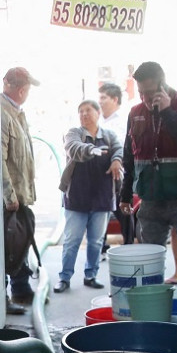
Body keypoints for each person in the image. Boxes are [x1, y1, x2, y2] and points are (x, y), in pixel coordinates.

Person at [119, 61, 177, 276]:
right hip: (150, 200)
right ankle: (152, 307)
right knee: (148, 267)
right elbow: (129, 154)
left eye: (149, 93)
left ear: (163, 85)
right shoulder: (135, 113)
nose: (145, 99)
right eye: (141, 93)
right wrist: (125, 194)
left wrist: (168, 112)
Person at [55, 99, 122, 293]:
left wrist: (117, 160)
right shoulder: (74, 133)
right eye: (81, 111)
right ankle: (64, 278)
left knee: (96, 242)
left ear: (98, 113)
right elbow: (74, 148)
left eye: (88, 110)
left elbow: (119, 149)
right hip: (76, 197)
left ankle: (90, 275)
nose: (84, 114)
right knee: (71, 241)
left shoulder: (108, 136)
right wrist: (91, 149)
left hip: (102, 198)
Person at [0, 66, 40, 313]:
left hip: (19, 195)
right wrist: (9, 195)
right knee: (9, 248)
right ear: (23, 90)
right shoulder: (3, 115)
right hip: (10, 198)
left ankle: (21, 291)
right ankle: (8, 296)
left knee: (20, 241)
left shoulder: (16, 113)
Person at [97, 81, 134, 251]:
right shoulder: (97, 120)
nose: (100, 101)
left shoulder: (123, 120)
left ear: (115, 99)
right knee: (100, 210)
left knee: (123, 210)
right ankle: (101, 246)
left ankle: (128, 244)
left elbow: (121, 146)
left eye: (103, 98)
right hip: (99, 175)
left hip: (118, 174)